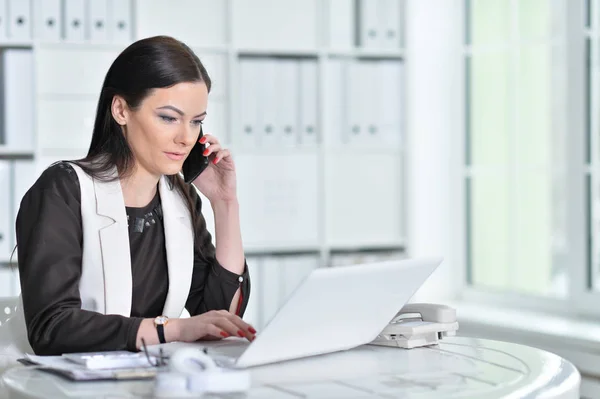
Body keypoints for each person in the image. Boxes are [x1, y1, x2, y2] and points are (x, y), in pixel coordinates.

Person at [11, 35, 255, 356]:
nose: (185, 138)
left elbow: (219, 316)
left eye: (196, 122)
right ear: (121, 110)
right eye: (168, 117)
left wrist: (225, 203)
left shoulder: (179, 198)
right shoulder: (64, 189)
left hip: (150, 380)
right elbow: (51, 327)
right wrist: (171, 330)